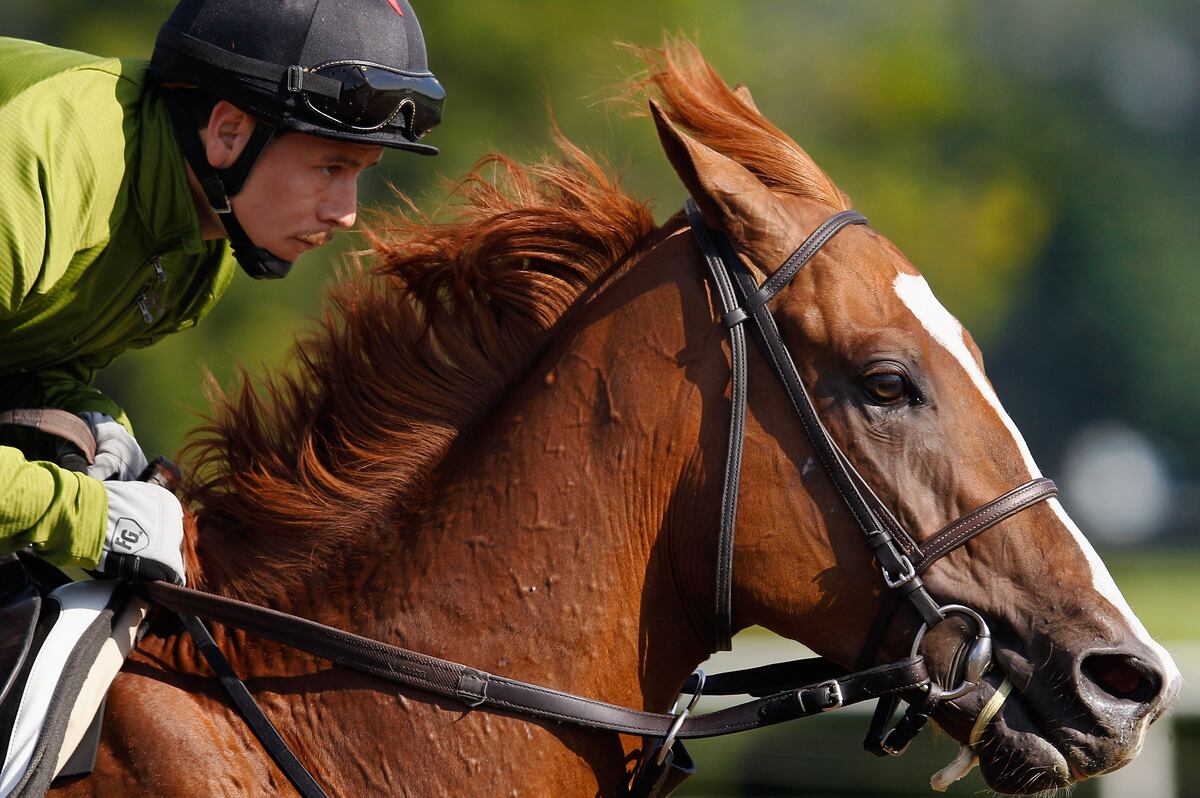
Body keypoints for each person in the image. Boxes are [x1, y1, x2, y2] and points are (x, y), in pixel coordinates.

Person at [0, 0, 446, 587]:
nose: (346, 214)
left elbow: (22, 360)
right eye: (330, 168)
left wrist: (87, 418)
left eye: (361, 172)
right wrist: (92, 519)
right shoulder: (39, 162)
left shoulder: (203, 248)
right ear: (228, 133)